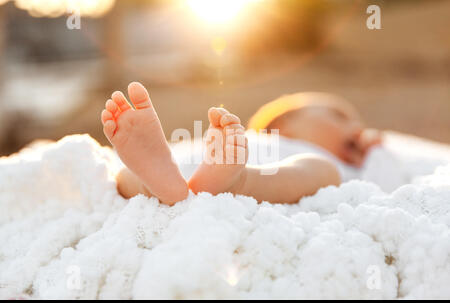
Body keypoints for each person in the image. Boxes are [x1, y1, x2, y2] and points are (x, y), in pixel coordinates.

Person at [100, 82, 379, 205]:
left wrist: (372, 151)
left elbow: (385, 169)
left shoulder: (336, 162)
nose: (357, 128)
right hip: (211, 166)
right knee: (122, 176)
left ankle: (155, 187)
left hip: (219, 168)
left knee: (323, 170)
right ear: (283, 125)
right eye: (339, 116)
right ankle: (156, 180)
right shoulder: (248, 142)